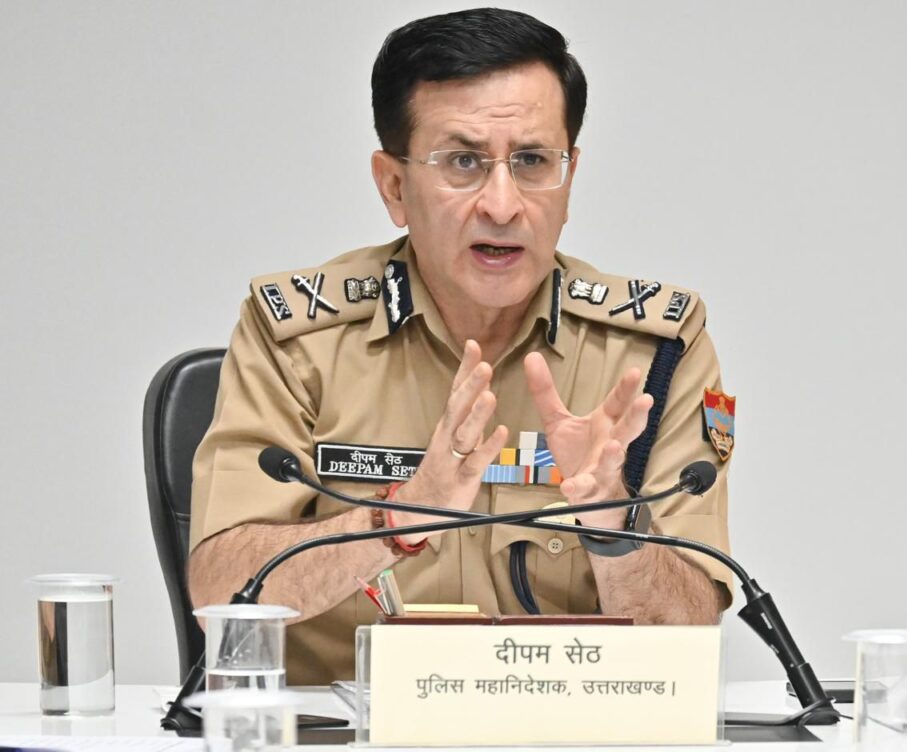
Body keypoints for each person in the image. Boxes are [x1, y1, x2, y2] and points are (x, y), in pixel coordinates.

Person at [187, 7, 735, 684]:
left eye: (532, 161)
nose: (502, 205)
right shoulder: (299, 339)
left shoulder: (654, 352)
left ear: (569, 179)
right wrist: (397, 517)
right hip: (344, 726)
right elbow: (220, 594)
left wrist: (611, 523)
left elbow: (688, 635)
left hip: (564, 724)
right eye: (463, 162)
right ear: (394, 186)